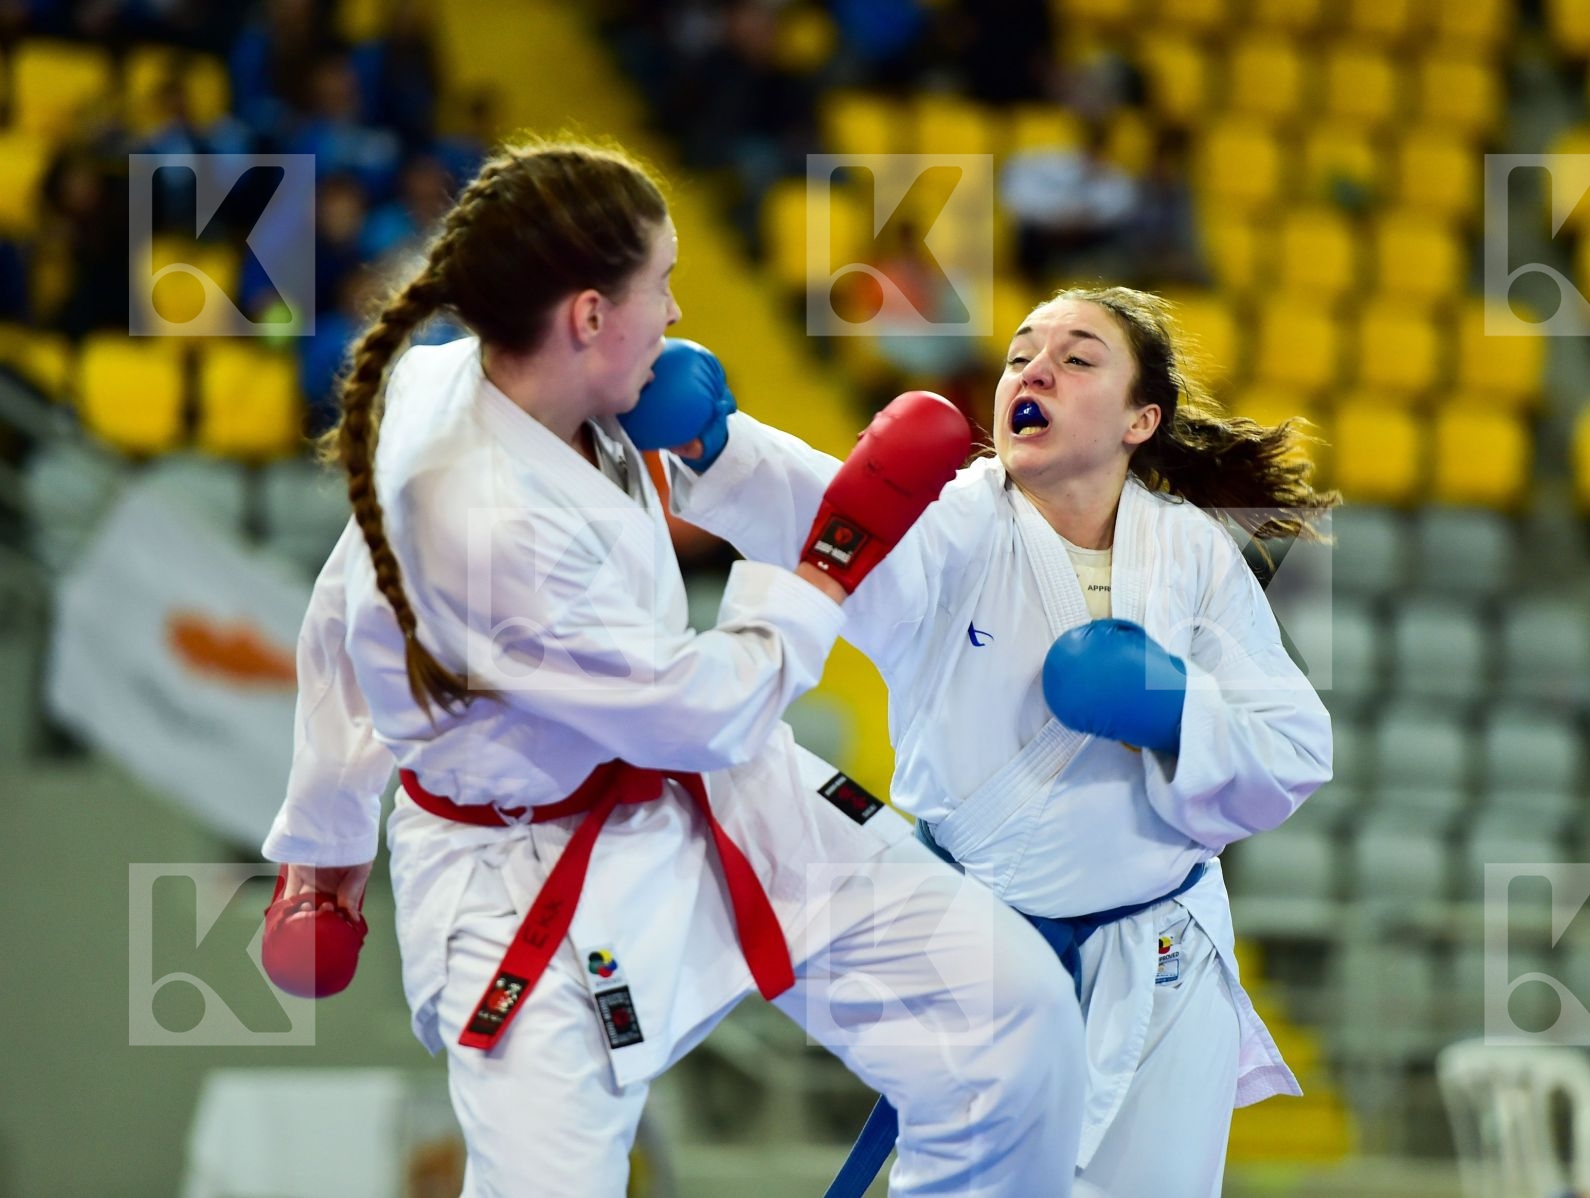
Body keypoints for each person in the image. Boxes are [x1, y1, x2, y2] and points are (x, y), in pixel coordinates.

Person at [261, 139, 1087, 1197]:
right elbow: (699, 711)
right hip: (523, 878)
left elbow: (344, 603)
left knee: (1011, 1016)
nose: (679, 313)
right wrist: (826, 568)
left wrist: (321, 841)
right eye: (662, 285)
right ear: (588, 317)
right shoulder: (480, 517)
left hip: (712, 794)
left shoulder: (458, 381)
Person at [660, 285, 1337, 1198]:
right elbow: (839, 504)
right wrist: (720, 446)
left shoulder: (1192, 553)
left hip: (1161, 969)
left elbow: (1295, 746)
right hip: (978, 956)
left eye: (1077, 358)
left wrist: (1181, 715)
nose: (1034, 370)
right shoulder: (956, 525)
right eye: (1021, 356)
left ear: (1140, 421)